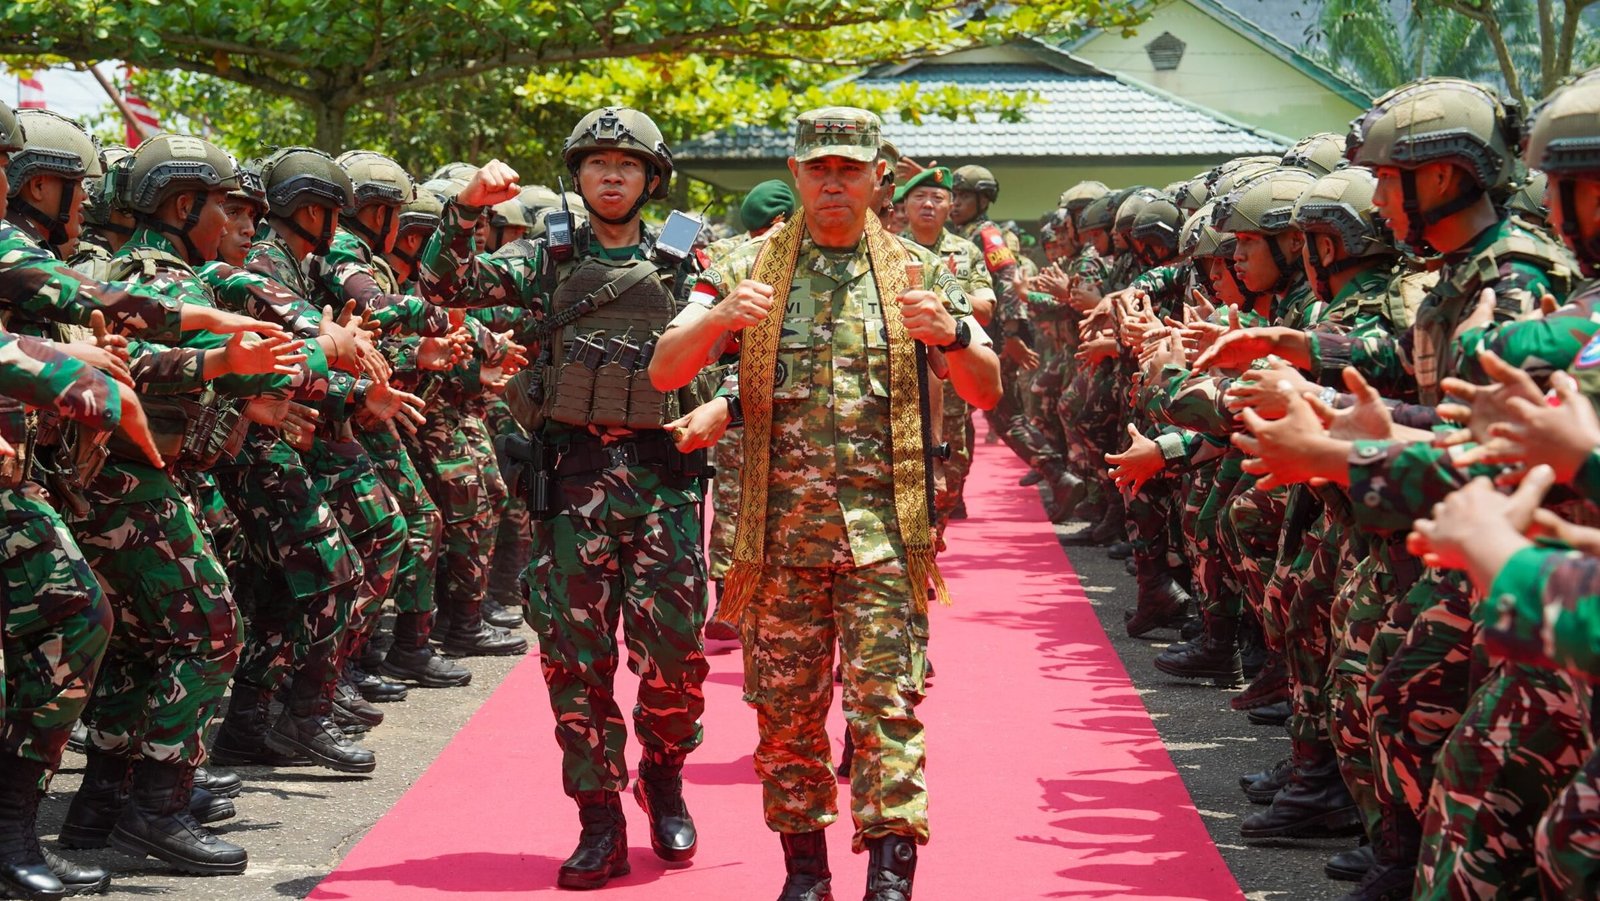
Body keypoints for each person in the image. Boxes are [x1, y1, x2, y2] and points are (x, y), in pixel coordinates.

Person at [648, 106, 1001, 901]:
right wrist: (715, 320)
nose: (834, 182)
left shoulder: (920, 269)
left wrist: (950, 337)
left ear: (879, 176)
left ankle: (889, 878)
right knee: (787, 717)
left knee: (887, 706)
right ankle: (805, 875)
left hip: (884, 538)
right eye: (818, 169)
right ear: (797, 174)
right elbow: (666, 371)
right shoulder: (741, 264)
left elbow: (986, 387)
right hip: (776, 544)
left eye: (849, 168)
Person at [416, 107, 727, 890]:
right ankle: (599, 818)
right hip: (573, 481)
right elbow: (440, 284)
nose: (611, 175)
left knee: (674, 661)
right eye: (596, 164)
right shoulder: (544, 256)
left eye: (627, 164)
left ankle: (663, 774)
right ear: (577, 176)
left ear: (653, 177)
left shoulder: (693, 257)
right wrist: (466, 212)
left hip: (664, 482)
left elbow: (744, 346)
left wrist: (720, 406)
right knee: (575, 664)